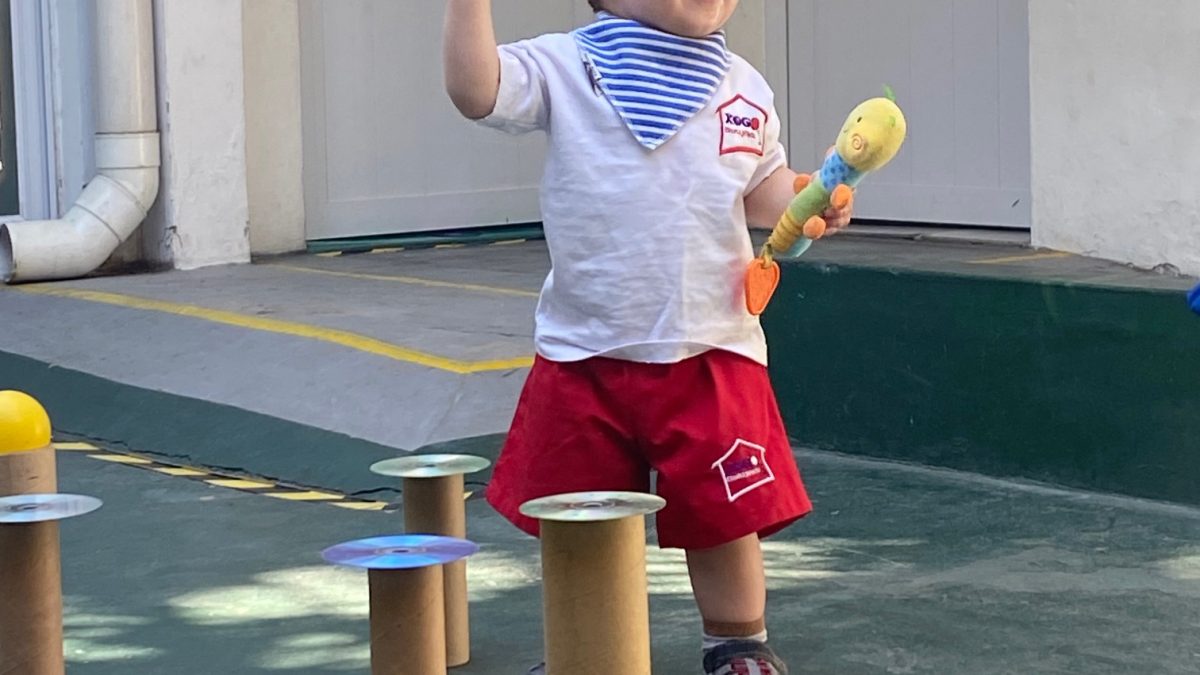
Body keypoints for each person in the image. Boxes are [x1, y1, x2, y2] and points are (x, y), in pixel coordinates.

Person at [443, 1, 853, 672]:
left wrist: (815, 194)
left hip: (711, 348)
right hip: (587, 351)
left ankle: (737, 639)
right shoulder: (566, 65)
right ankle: (582, 642)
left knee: (723, 516)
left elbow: (760, 189)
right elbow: (475, 89)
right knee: (580, 520)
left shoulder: (743, 85)